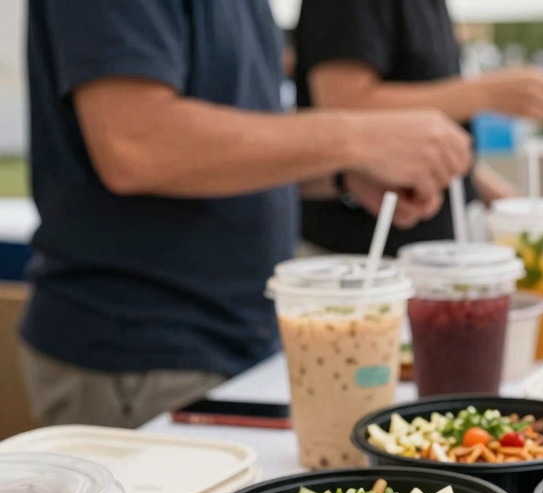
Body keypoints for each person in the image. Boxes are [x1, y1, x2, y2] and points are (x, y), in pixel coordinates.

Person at [21, 0, 472, 429]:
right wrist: (358, 137)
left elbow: (227, 149)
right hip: (143, 351)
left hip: (238, 344)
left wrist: (343, 175)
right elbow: (135, 145)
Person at [293, 0, 543, 255]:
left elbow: (430, 139)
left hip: (439, 254)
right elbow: (343, 104)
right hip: (359, 261)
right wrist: (485, 93)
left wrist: (508, 203)